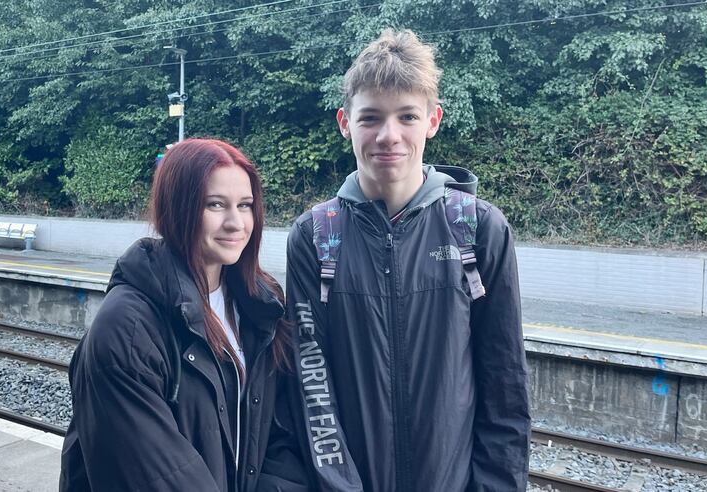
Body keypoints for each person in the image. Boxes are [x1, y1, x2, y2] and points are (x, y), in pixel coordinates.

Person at [285, 30, 530, 491]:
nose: (388, 135)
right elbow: (311, 389)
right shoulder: (314, 237)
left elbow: (505, 387)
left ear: (433, 120)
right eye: (371, 118)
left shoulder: (479, 230)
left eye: (407, 116)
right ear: (345, 122)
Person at [59, 139, 307, 491]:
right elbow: (157, 478)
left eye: (246, 205)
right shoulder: (126, 329)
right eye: (215, 205)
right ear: (178, 209)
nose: (236, 222)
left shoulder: (260, 307)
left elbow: (281, 434)